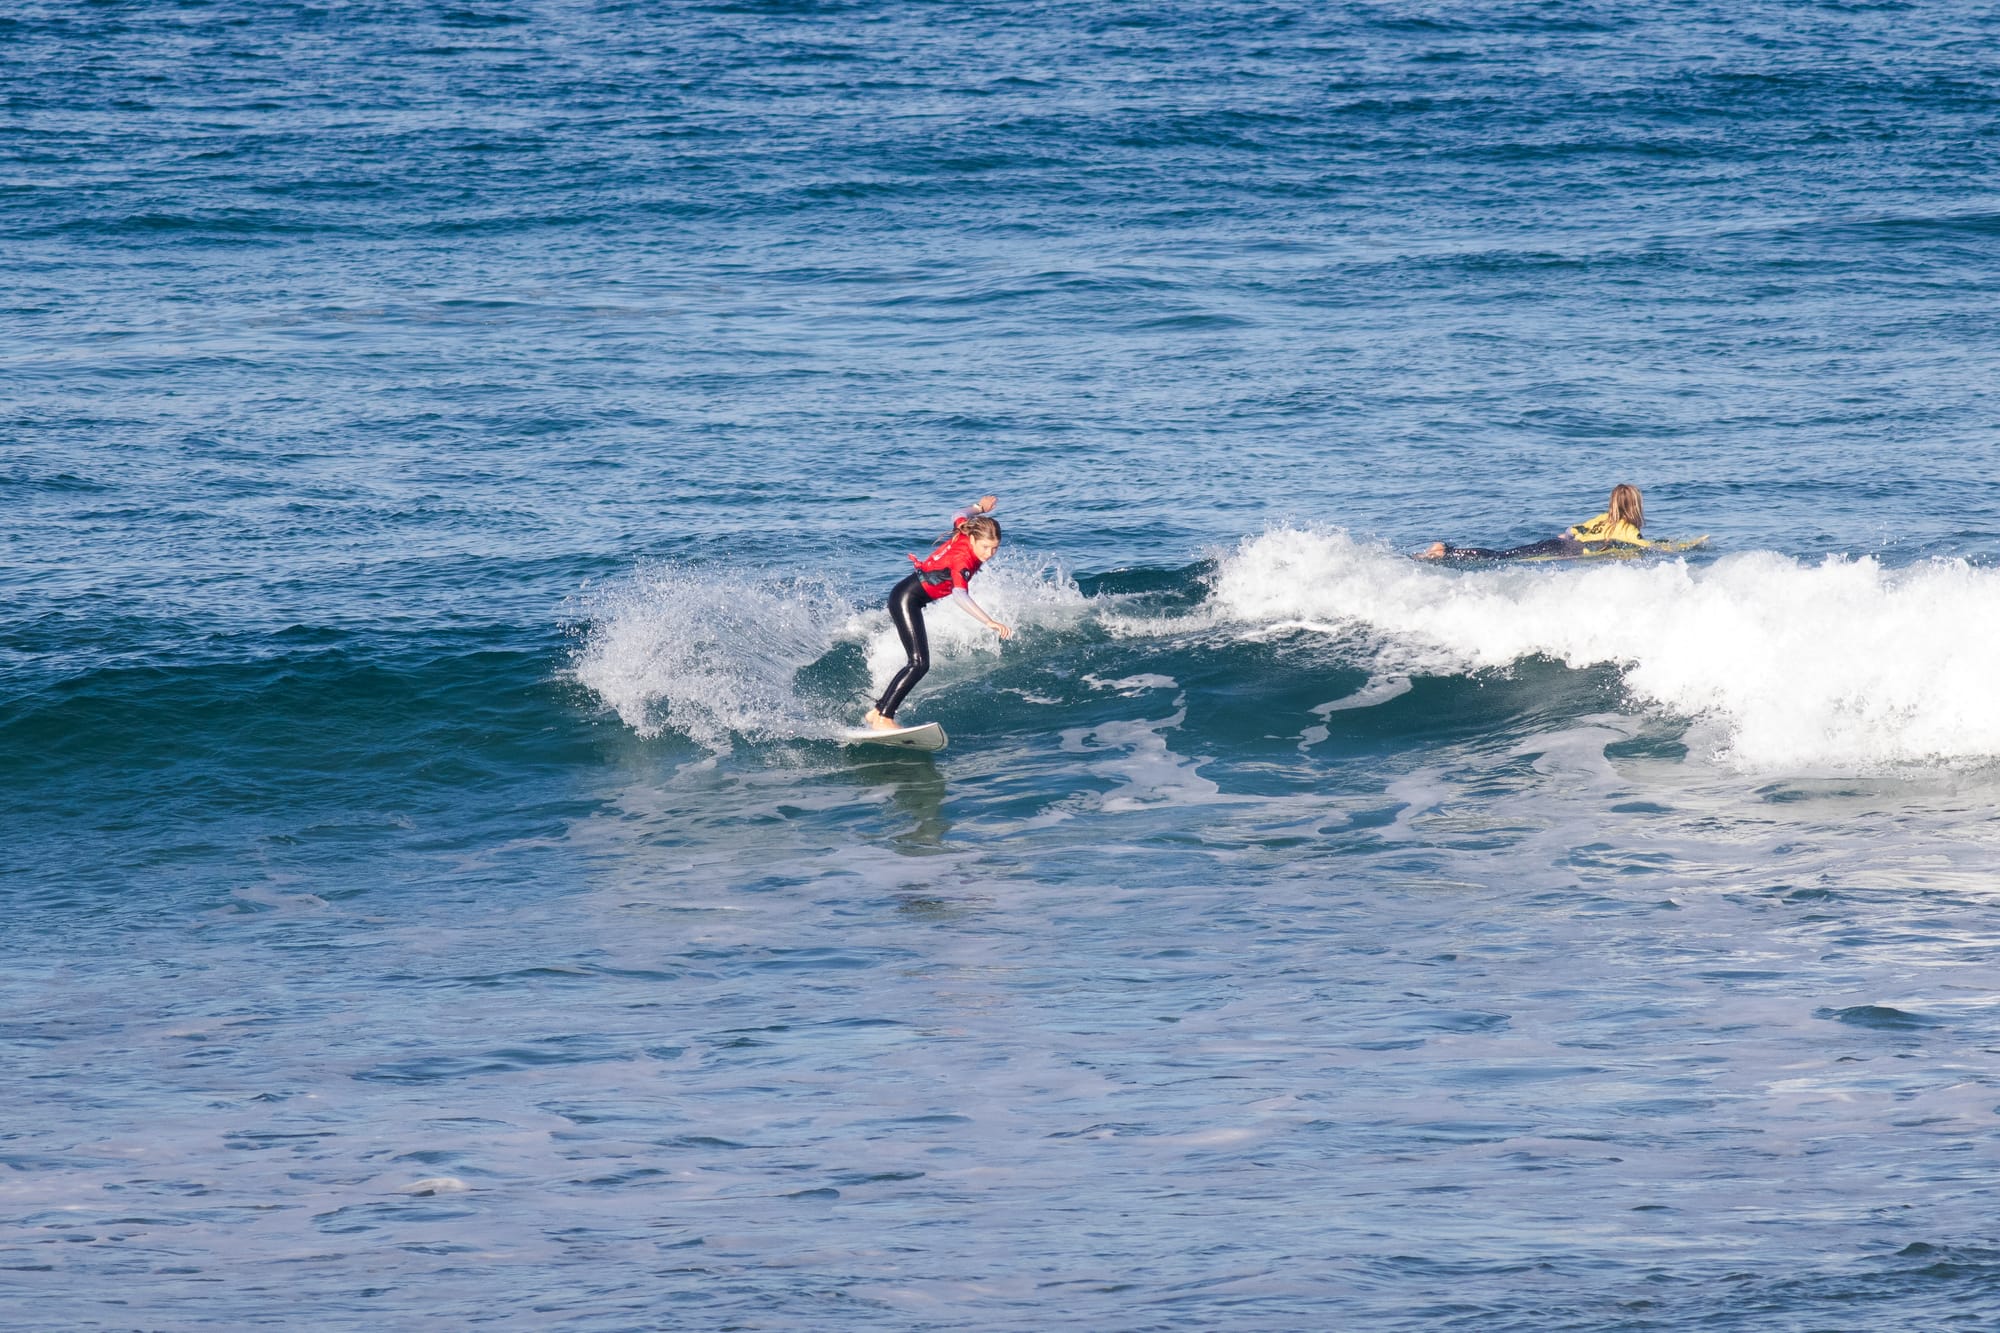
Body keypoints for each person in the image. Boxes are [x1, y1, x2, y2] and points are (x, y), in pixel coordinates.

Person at [863, 495, 1013, 731]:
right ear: (973, 539)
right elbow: (960, 595)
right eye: (985, 547)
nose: (989, 554)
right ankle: (883, 717)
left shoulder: (964, 531)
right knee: (919, 663)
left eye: (995, 549)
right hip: (906, 599)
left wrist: (978, 508)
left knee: (918, 663)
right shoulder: (963, 560)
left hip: (908, 596)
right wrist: (989, 621)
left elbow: (957, 514)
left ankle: (877, 712)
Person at [1419, 484, 1652, 561]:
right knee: (1502, 557)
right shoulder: (1628, 529)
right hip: (1570, 552)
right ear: (1635, 507)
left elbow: (1568, 532)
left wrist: (1566, 540)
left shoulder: (1601, 519)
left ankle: (1447, 551)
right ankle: (1446, 552)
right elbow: (1644, 548)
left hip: (1555, 543)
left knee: (1503, 554)